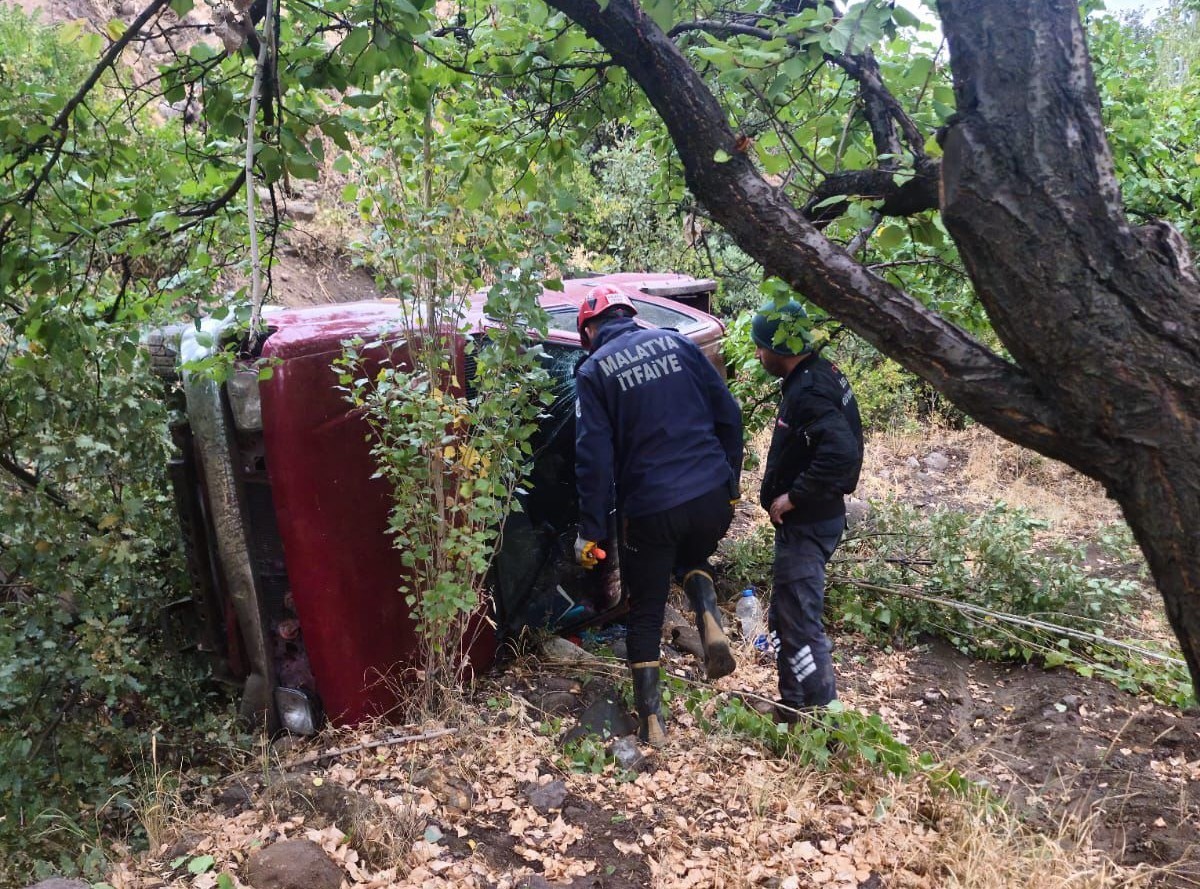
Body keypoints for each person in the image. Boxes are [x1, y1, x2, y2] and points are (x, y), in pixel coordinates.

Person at [573, 285, 744, 746]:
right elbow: (730, 415)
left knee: (646, 608)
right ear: (630, 315)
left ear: (589, 330)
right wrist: (731, 484)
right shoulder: (680, 344)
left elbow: (594, 460)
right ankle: (708, 619)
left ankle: (653, 722)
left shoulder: (593, 371)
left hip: (651, 508)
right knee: (692, 554)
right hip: (709, 492)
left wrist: (591, 531)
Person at [752, 299, 863, 722]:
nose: (760, 356)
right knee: (785, 620)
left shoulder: (812, 388)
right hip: (811, 522)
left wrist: (794, 496)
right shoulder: (819, 374)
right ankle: (793, 706)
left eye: (763, 348)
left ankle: (823, 724)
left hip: (810, 522)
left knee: (801, 625)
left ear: (782, 347)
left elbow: (840, 453)